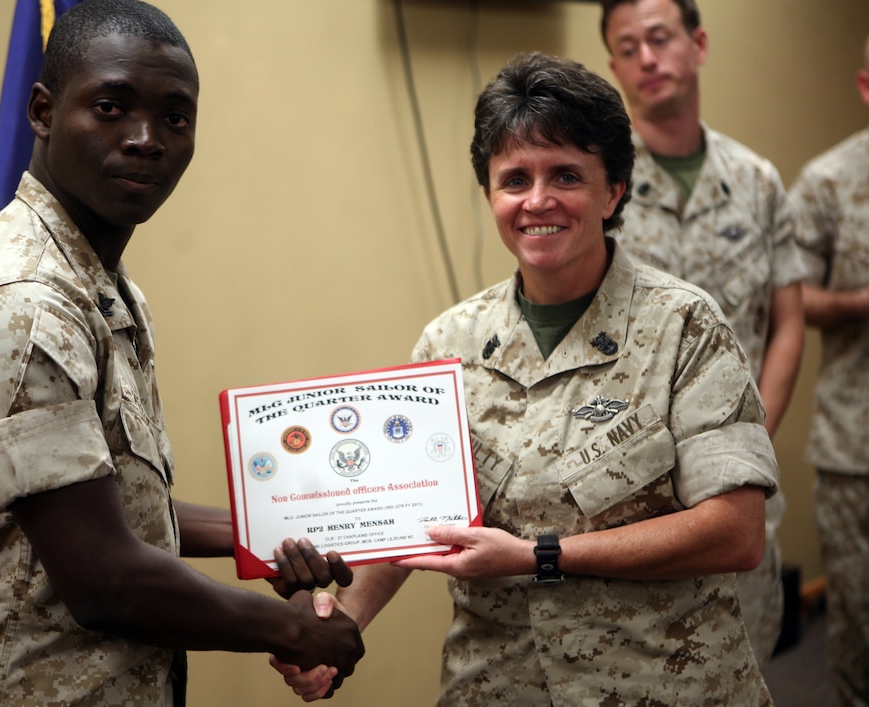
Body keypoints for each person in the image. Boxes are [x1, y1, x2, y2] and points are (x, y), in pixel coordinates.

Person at [0, 1, 363, 704]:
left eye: (175, 117)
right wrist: (292, 630)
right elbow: (104, 577)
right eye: (112, 107)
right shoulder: (24, 302)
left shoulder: (98, 286)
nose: (146, 138)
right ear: (43, 112)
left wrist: (259, 530)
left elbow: (103, 504)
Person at [275, 51, 778, 705]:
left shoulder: (684, 324)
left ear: (613, 190)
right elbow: (408, 521)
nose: (538, 200)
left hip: (664, 683)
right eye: (515, 179)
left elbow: (735, 531)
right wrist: (341, 628)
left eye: (566, 175)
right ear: (490, 193)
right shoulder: (447, 343)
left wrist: (541, 554)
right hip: (499, 684)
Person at [599, 0, 806, 668]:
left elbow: (787, 323)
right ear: (613, 67)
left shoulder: (756, 181)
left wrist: (744, 445)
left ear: (699, 44)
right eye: (628, 48)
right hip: (633, 491)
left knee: (745, 658)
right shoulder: (600, 188)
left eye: (659, 39)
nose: (647, 59)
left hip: (737, 481)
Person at [787, 22, 869, 707]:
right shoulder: (828, 180)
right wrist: (862, 301)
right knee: (862, 624)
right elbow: (790, 299)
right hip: (861, 445)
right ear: (867, 87)